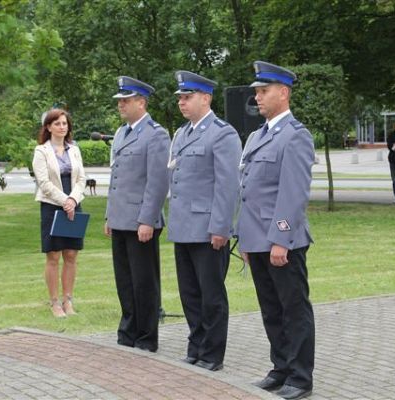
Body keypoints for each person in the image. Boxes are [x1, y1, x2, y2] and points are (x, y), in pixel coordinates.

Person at [236, 61, 315, 400]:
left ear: (283, 93)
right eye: (256, 92)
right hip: (256, 239)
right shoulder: (258, 135)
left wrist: (280, 239)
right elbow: (247, 189)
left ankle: (299, 377)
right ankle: (280, 367)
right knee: (271, 310)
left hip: (283, 241)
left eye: (263, 91)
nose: (258, 98)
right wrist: (245, 238)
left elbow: (293, 194)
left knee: (293, 310)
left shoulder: (296, 136)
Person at [168, 70, 242, 371]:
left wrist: (220, 227)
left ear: (206, 98)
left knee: (211, 295)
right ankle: (196, 345)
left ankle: (212, 353)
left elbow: (227, 186)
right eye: (180, 99)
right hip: (183, 226)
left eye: (188, 97)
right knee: (189, 293)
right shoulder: (182, 133)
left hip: (208, 228)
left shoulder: (222, 133)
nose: (182, 103)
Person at [104, 76, 170, 352]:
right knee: (125, 280)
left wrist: (147, 219)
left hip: (141, 221)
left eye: (126, 100)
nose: (121, 105)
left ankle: (145, 336)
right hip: (120, 218)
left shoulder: (155, 134)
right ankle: (128, 331)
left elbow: (157, 182)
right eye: (120, 101)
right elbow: (116, 180)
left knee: (144, 282)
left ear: (141, 102)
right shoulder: (122, 133)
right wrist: (109, 216)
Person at [32, 108, 86, 318]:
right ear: (48, 127)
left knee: (71, 254)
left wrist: (72, 199)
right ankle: (54, 303)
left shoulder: (74, 149)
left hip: (74, 201)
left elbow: (81, 179)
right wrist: (65, 201)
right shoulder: (41, 151)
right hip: (52, 204)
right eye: (57, 124)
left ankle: (68, 300)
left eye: (64, 123)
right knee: (53, 256)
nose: (62, 127)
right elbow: (44, 183)